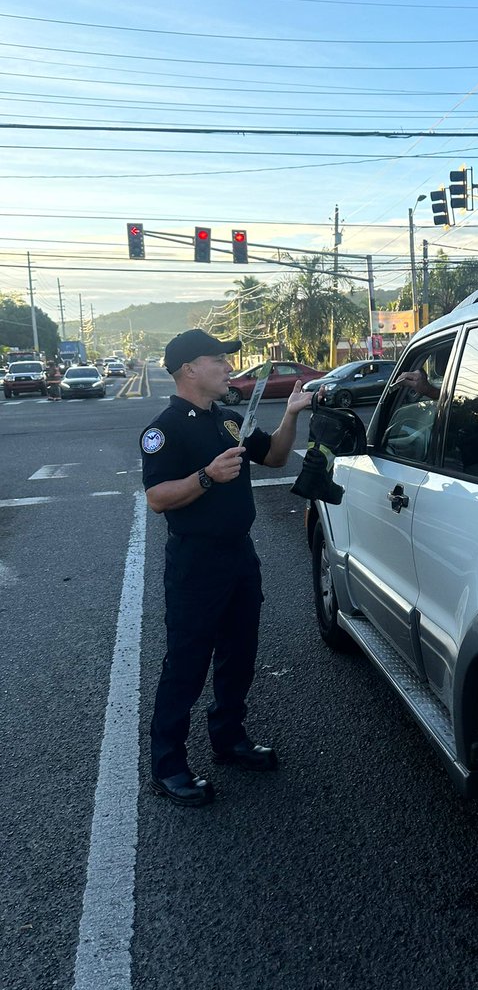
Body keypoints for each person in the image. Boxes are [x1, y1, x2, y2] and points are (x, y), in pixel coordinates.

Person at [141, 329, 319, 807]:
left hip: (239, 556)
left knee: (239, 653)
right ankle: (168, 766)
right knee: (186, 664)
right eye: (217, 358)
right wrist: (206, 476)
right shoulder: (166, 428)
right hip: (195, 562)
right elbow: (157, 498)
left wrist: (290, 416)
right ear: (188, 369)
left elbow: (276, 456)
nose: (227, 366)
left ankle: (229, 739)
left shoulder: (227, 420)